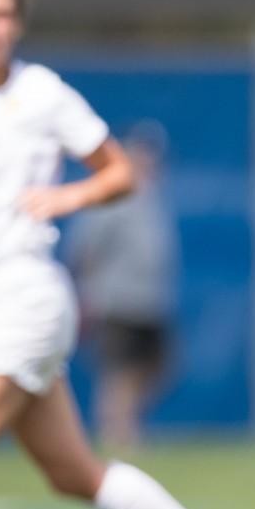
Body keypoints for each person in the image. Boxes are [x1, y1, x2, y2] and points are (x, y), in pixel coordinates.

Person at [0, 0, 246, 509]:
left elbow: (117, 170)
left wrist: (66, 198)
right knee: (73, 473)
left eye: (6, 14)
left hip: (24, 297)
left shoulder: (40, 93)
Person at [65, 121, 178, 449]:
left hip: (151, 300)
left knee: (156, 367)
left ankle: (126, 422)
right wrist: (87, 293)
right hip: (117, 300)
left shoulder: (152, 197)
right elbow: (84, 249)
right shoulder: (112, 197)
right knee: (119, 370)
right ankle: (118, 433)